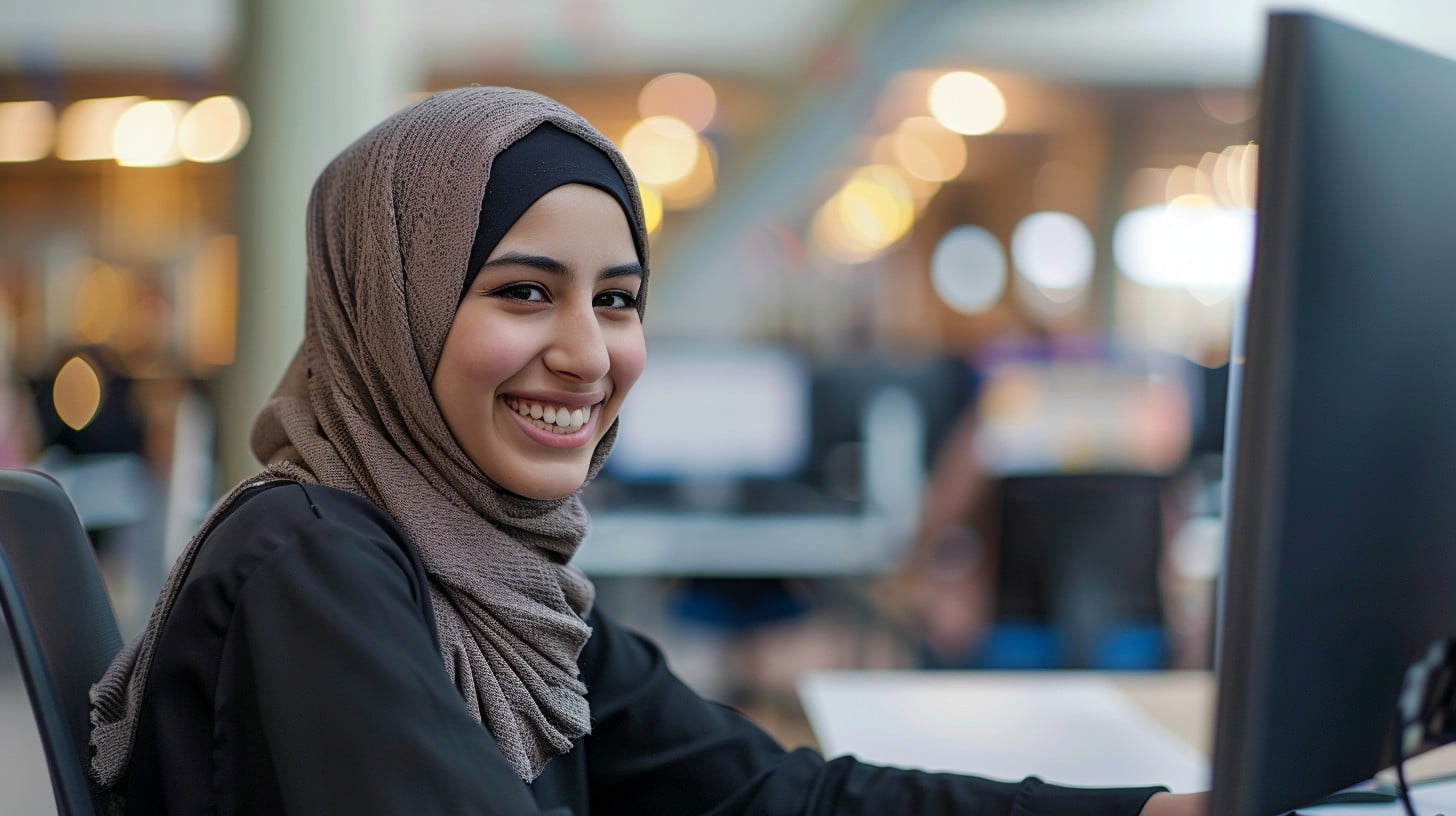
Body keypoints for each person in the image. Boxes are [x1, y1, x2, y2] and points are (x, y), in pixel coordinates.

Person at [86, 87, 1204, 814]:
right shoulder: (311, 557)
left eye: (617, 301)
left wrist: (1145, 811)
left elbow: (770, 796)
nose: (586, 354)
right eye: (523, 293)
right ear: (391, 306)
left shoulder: (494, 581)